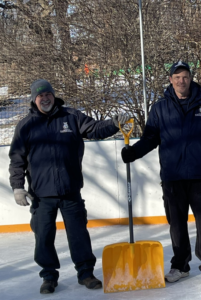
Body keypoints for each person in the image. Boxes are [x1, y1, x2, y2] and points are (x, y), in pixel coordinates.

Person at [9, 79, 130, 294]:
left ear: (53, 95)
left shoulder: (71, 117)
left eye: (48, 94)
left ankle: (85, 273)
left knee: (78, 234)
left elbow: (94, 129)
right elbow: (17, 159)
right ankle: (48, 276)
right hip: (41, 194)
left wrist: (114, 123)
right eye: (40, 96)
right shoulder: (25, 125)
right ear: (33, 99)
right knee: (43, 236)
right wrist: (18, 187)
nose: (45, 98)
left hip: (70, 190)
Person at [121, 61, 201, 286]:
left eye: (185, 76)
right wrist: (134, 152)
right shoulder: (160, 108)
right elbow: (151, 138)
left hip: (200, 176)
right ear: (170, 80)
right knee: (176, 223)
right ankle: (180, 265)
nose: (181, 81)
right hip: (172, 176)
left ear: (191, 79)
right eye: (177, 77)